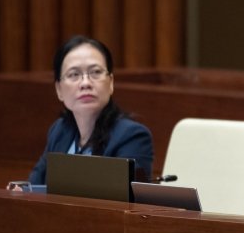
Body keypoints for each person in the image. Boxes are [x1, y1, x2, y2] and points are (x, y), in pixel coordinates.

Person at [25, 35, 154, 186]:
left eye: (95, 72)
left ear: (111, 83)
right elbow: (34, 187)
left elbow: (128, 202)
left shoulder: (132, 136)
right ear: (59, 89)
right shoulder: (59, 131)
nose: (85, 83)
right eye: (74, 74)